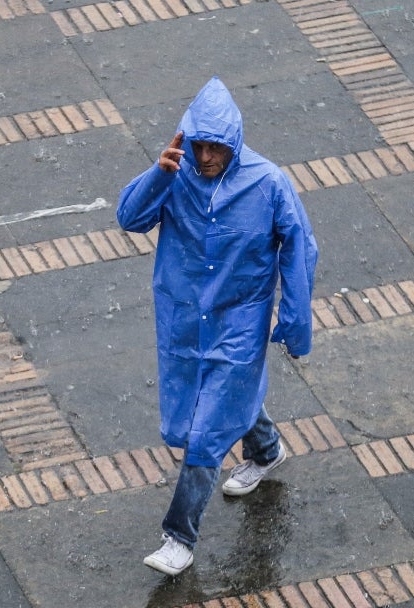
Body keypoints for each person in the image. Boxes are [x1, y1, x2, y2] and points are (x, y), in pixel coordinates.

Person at [117, 76, 318, 576]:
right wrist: (157, 177)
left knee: (205, 433)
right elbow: (129, 218)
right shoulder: (174, 173)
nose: (205, 156)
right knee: (214, 402)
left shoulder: (268, 183)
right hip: (184, 318)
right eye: (199, 145)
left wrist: (293, 319)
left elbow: (299, 249)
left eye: (216, 147)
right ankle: (266, 449)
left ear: (234, 142)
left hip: (240, 323)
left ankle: (178, 537)